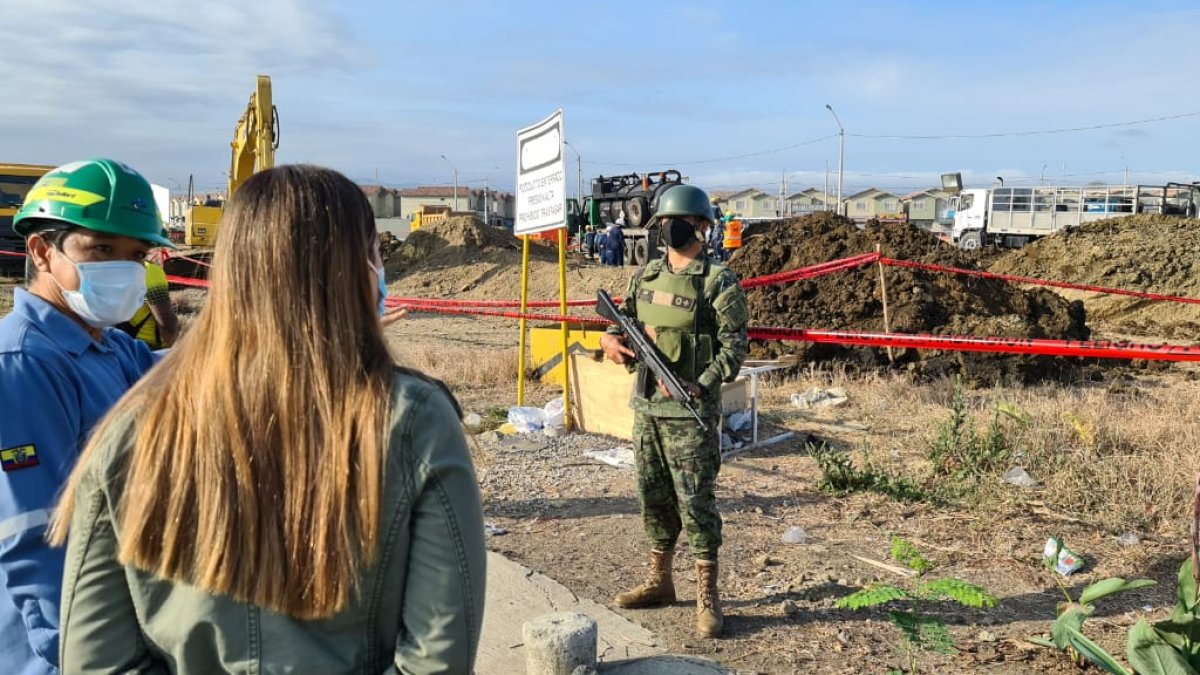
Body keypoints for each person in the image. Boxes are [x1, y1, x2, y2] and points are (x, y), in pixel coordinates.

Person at [48, 164, 486, 674]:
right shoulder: (413, 423)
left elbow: (96, 662)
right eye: (375, 254)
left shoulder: (130, 428)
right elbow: (437, 661)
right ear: (355, 268)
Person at [0, 157, 175, 675]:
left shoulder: (108, 347)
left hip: (108, 622)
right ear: (41, 250)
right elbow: (35, 539)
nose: (123, 268)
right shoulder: (24, 364)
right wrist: (80, 662)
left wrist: (309, 323)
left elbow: (189, 371)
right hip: (57, 652)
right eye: (100, 249)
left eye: (137, 253)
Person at [599, 184, 748, 638]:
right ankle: (660, 581)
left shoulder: (717, 280)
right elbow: (617, 318)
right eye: (663, 222)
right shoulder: (645, 276)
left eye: (677, 221)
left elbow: (734, 347)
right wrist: (609, 340)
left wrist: (698, 386)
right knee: (653, 498)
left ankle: (708, 596)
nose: (669, 229)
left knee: (696, 503)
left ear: (702, 226)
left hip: (690, 413)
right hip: (647, 408)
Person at [116, 256, 179, 349]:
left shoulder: (112, 271)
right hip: (150, 347)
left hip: (124, 341)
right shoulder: (149, 271)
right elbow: (166, 324)